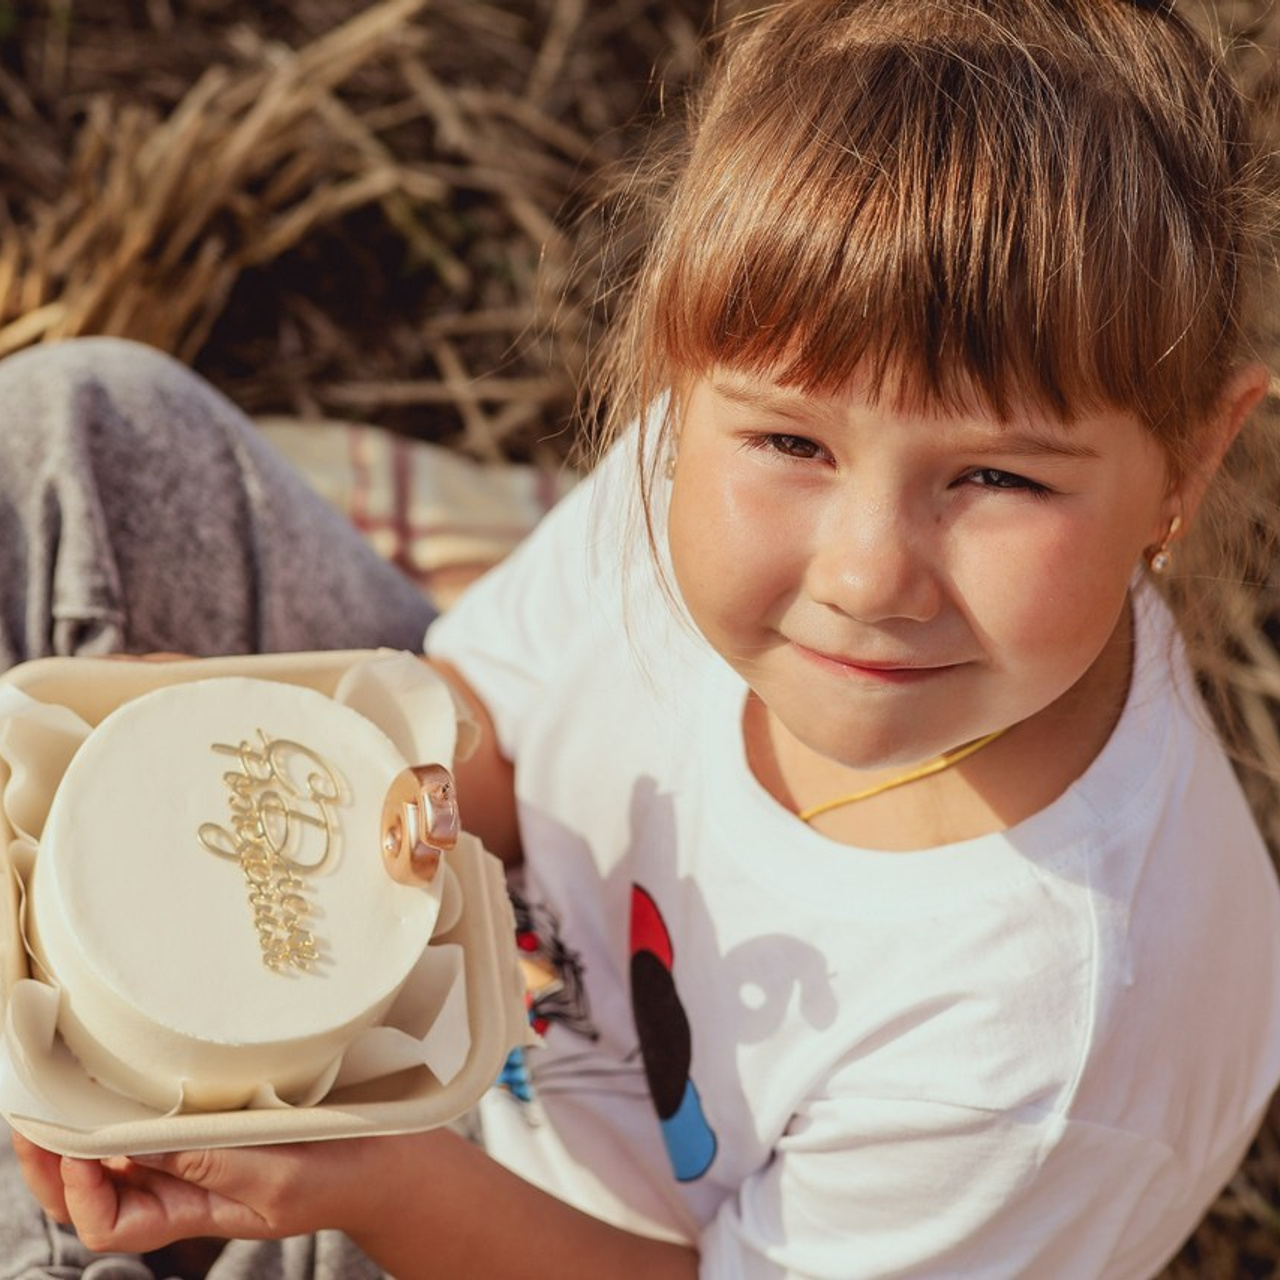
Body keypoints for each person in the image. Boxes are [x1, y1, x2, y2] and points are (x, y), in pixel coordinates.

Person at [5, 0, 1280, 1275]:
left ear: (1189, 459)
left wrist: (371, 1177)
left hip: (498, 1227)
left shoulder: (1052, 1043)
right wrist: (275, 743)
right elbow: (477, 733)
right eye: (791, 444)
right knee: (83, 431)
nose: (864, 573)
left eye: (998, 477)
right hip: (427, 963)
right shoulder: (701, 459)